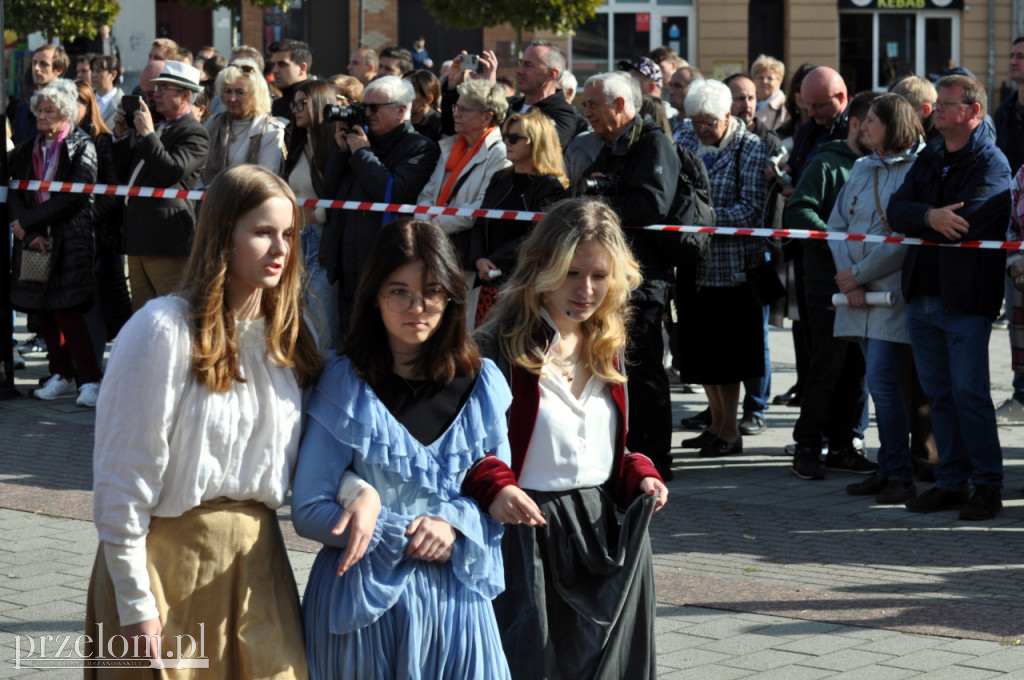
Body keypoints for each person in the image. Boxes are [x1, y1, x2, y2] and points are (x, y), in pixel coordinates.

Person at [86, 165, 321, 676]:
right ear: (221, 236)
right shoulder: (162, 329)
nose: (280, 249)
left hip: (259, 567)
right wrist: (135, 602)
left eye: (289, 234)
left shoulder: (288, 341)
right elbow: (121, 478)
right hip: (163, 566)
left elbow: (314, 461)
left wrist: (356, 492)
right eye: (262, 233)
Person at [292, 218, 513, 679]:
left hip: (458, 611)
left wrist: (452, 528)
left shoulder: (483, 384)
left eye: (432, 291)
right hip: (361, 607)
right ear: (374, 295)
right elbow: (309, 508)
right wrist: (399, 533)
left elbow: (494, 497)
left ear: (452, 295)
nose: (418, 306)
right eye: (399, 291)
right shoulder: (343, 381)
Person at [465, 198, 668, 680]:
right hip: (525, 535)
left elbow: (606, 448)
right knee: (531, 664)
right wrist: (495, 485)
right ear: (541, 267)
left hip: (600, 535)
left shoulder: (608, 346)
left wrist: (638, 474)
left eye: (600, 275)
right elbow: (464, 450)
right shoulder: (496, 347)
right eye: (572, 272)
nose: (586, 289)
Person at [888, 74, 1011, 520]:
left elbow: (970, 220)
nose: (936, 109)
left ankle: (988, 485)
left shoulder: (992, 163)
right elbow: (897, 211)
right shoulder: (930, 156)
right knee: (938, 394)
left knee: (968, 393)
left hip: (965, 299)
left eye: (946, 103)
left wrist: (930, 218)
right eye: (937, 103)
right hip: (922, 293)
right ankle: (951, 481)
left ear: (973, 112)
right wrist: (929, 215)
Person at [578, 70, 680, 479]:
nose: (586, 113)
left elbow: (651, 206)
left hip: (644, 278)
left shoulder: (652, 143)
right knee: (616, 366)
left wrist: (600, 197)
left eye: (592, 105)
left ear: (620, 105)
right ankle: (626, 452)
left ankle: (654, 460)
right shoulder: (610, 145)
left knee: (644, 370)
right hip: (612, 274)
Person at [828, 94, 926, 503]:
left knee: (882, 384)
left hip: (889, 295)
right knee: (878, 383)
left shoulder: (917, 169)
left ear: (892, 125)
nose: (862, 126)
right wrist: (849, 277)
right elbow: (836, 224)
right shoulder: (861, 167)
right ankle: (888, 469)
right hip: (858, 294)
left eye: (871, 120)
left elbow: (903, 239)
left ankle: (898, 472)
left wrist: (859, 276)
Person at [785, 91, 879, 480]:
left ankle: (843, 446)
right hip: (825, 281)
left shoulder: (878, 166)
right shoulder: (827, 163)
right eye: (874, 125)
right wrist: (836, 238)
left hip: (866, 280)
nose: (880, 134)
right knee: (826, 365)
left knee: (856, 369)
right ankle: (807, 446)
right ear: (856, 124)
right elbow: (799, 208)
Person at [675, 79, 769, 458]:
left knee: (727, 357)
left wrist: (701, 220)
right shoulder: (685, 136)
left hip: (732, 270)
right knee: (701, 353)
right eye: (695, 121)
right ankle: (715, 423)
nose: (700, 129)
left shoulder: (751, 148)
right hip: (694, 265)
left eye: (708, 123)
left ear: (727, 117)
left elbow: (751, 208)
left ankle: (730, 431)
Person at [324, 76, 441, 342]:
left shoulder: (420, 148)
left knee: (380, 342)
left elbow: (392, 193)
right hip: (347, 263)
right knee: (348, 340)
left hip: (385, 264)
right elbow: (328, 192)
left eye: (374, 108)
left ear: (401, 110)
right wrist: (342, 151)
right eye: (364, 106)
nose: (366, 113)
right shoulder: (360, 142)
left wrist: (362, 154)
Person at [10, 79, 102, 407]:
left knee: (68, 310)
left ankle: (90, 380)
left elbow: (74, 196)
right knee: (43, 310)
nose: (42, 116)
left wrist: (29, 222)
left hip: (70, 238)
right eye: (39, 110)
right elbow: (16, 193)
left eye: (50, 111)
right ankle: (60, 374)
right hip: (34, 241)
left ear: (65, 114)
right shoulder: (26, 149)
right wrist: (27, 232)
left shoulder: (82, 145)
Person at [112, 61, 210, 310]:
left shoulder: (194, 133)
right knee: (142, 315)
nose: (156, 94)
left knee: (171, 311)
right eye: (156, 88)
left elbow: (170, 172)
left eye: (164, 88)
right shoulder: (158, 127)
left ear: (186, 95)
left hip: (165, 240)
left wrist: (148, 134)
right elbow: (126, 175)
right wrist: (123, 136)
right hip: (138, 238)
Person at [471, 107, 569, 324]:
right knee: (485, 347)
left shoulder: (550, 186)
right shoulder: (499, 179)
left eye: (514, 138)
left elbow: (541, 237)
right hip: (490, 282)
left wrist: (495, 260)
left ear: (537, 142)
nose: (507, 143)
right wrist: (479, 259)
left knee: (517, 350)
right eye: (506, 137)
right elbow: (480, 222)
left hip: (526, 285)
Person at [418, 79, 509, 299]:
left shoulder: (500, 153)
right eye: (455, 108)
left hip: (465, 255)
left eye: (464, 109)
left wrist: (436, 224)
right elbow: (427, 194)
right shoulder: (451, 146)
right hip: (435, 246)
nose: (456, 114)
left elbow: (481, 206)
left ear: (487, 116)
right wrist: (424, 221)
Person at [283, 81, 343, 351]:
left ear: (320, 104)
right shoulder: (298, 145)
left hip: (321, 242)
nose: (295, 110)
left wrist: (320, 215)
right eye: (293, 104)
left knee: (322, 327)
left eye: (302, 104)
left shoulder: (335, 147)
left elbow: (339, 193)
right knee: (295, 323)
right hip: (294, 240)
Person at [441, 41, 589, 152]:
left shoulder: (564, 114)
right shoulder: (511, 103)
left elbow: (529, 145)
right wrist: (453, 86)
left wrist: (493, 93)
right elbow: (451, 128)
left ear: (552, 74)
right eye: (520, 63)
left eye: (528, 65)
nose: (519, 70)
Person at [75, 80, 132, 367]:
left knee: (97, 305)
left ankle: (96, 368)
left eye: (78, 101)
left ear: (89, 107)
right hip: (71, 235)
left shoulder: (102, 140)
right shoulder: (60, 140)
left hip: (100, 239)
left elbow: (114, 192)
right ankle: (76, 370)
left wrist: (87, 217)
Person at [200, 59, 286, 187]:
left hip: (251, 202)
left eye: (240, 92)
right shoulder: (213, 123)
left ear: (256, 95)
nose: (232, 98)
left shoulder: (270, 130)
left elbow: (266, 177)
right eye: (228, 91)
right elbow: (199, 170)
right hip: (211, 203)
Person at [13, 44, 69, 144]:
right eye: (34, 63)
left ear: (59, 70)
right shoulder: (24, 109)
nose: (36, 68)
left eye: (43, 64)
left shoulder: (67, 107)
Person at [269, 39, 313, 119]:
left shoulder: (316, 101)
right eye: (273, 65)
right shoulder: (276, 105)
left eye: (282, 64)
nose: (274, 70)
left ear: (302, 68)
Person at [751, 54, 788, 132]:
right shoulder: (749, 103)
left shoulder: (786, 107)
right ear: (754, 81)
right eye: (760, 78)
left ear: (779, 82)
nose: (764, 81)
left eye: (770, 78)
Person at [405, 69, 443, 141]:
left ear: (428, 99)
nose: (402, 96)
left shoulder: (440, 127)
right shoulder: (395, 120)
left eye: (410, 92)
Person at [90, 55, 123, 129]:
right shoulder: (87, 100)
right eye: (92, 71)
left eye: (98, 71)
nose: (93, 75)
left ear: (113, 75)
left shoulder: (122, 103)